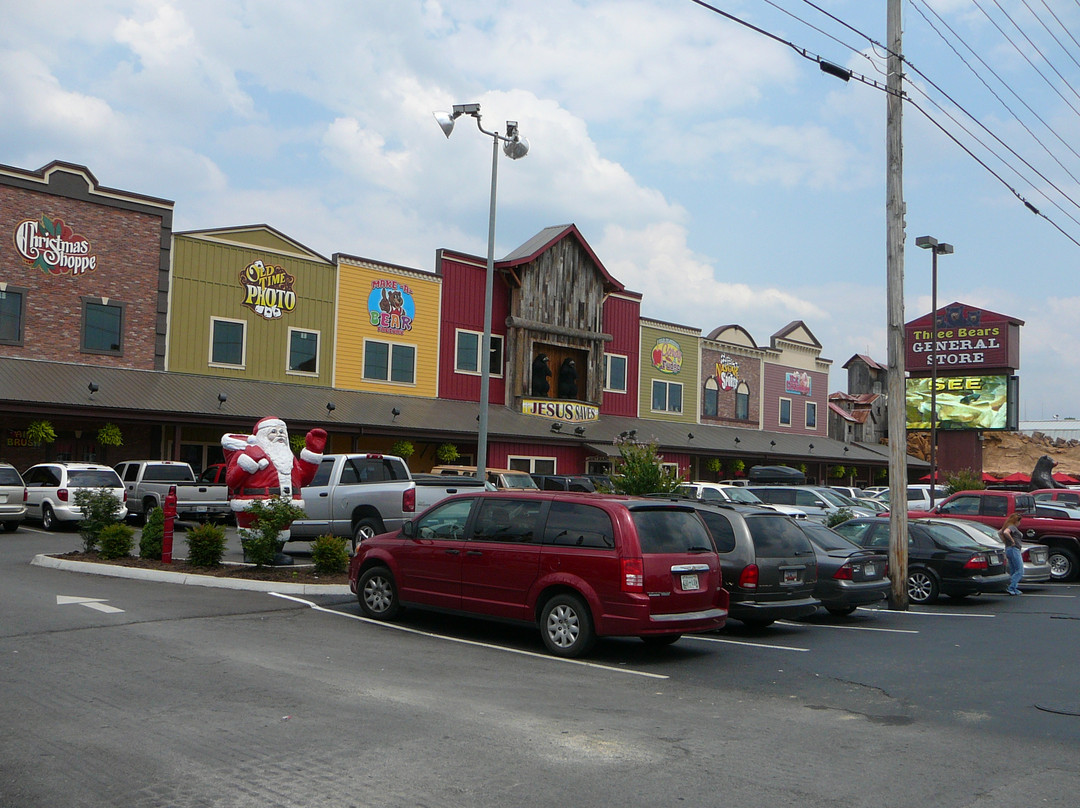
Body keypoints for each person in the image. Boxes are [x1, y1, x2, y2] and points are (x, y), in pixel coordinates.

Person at [998, 512, 1024, 595]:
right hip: (1014, 549)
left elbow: (1000, 532)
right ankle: (1010, 587)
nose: (1020, 523)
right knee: (1020, 570)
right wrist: (1012, 541)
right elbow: (1006, 532)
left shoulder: (1007, 526)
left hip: (1008, 549)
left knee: (1013, 570)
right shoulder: (1012, 527)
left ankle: (1014, 588)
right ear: (1016, 521)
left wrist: (1005, 541)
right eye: (1019, 521)